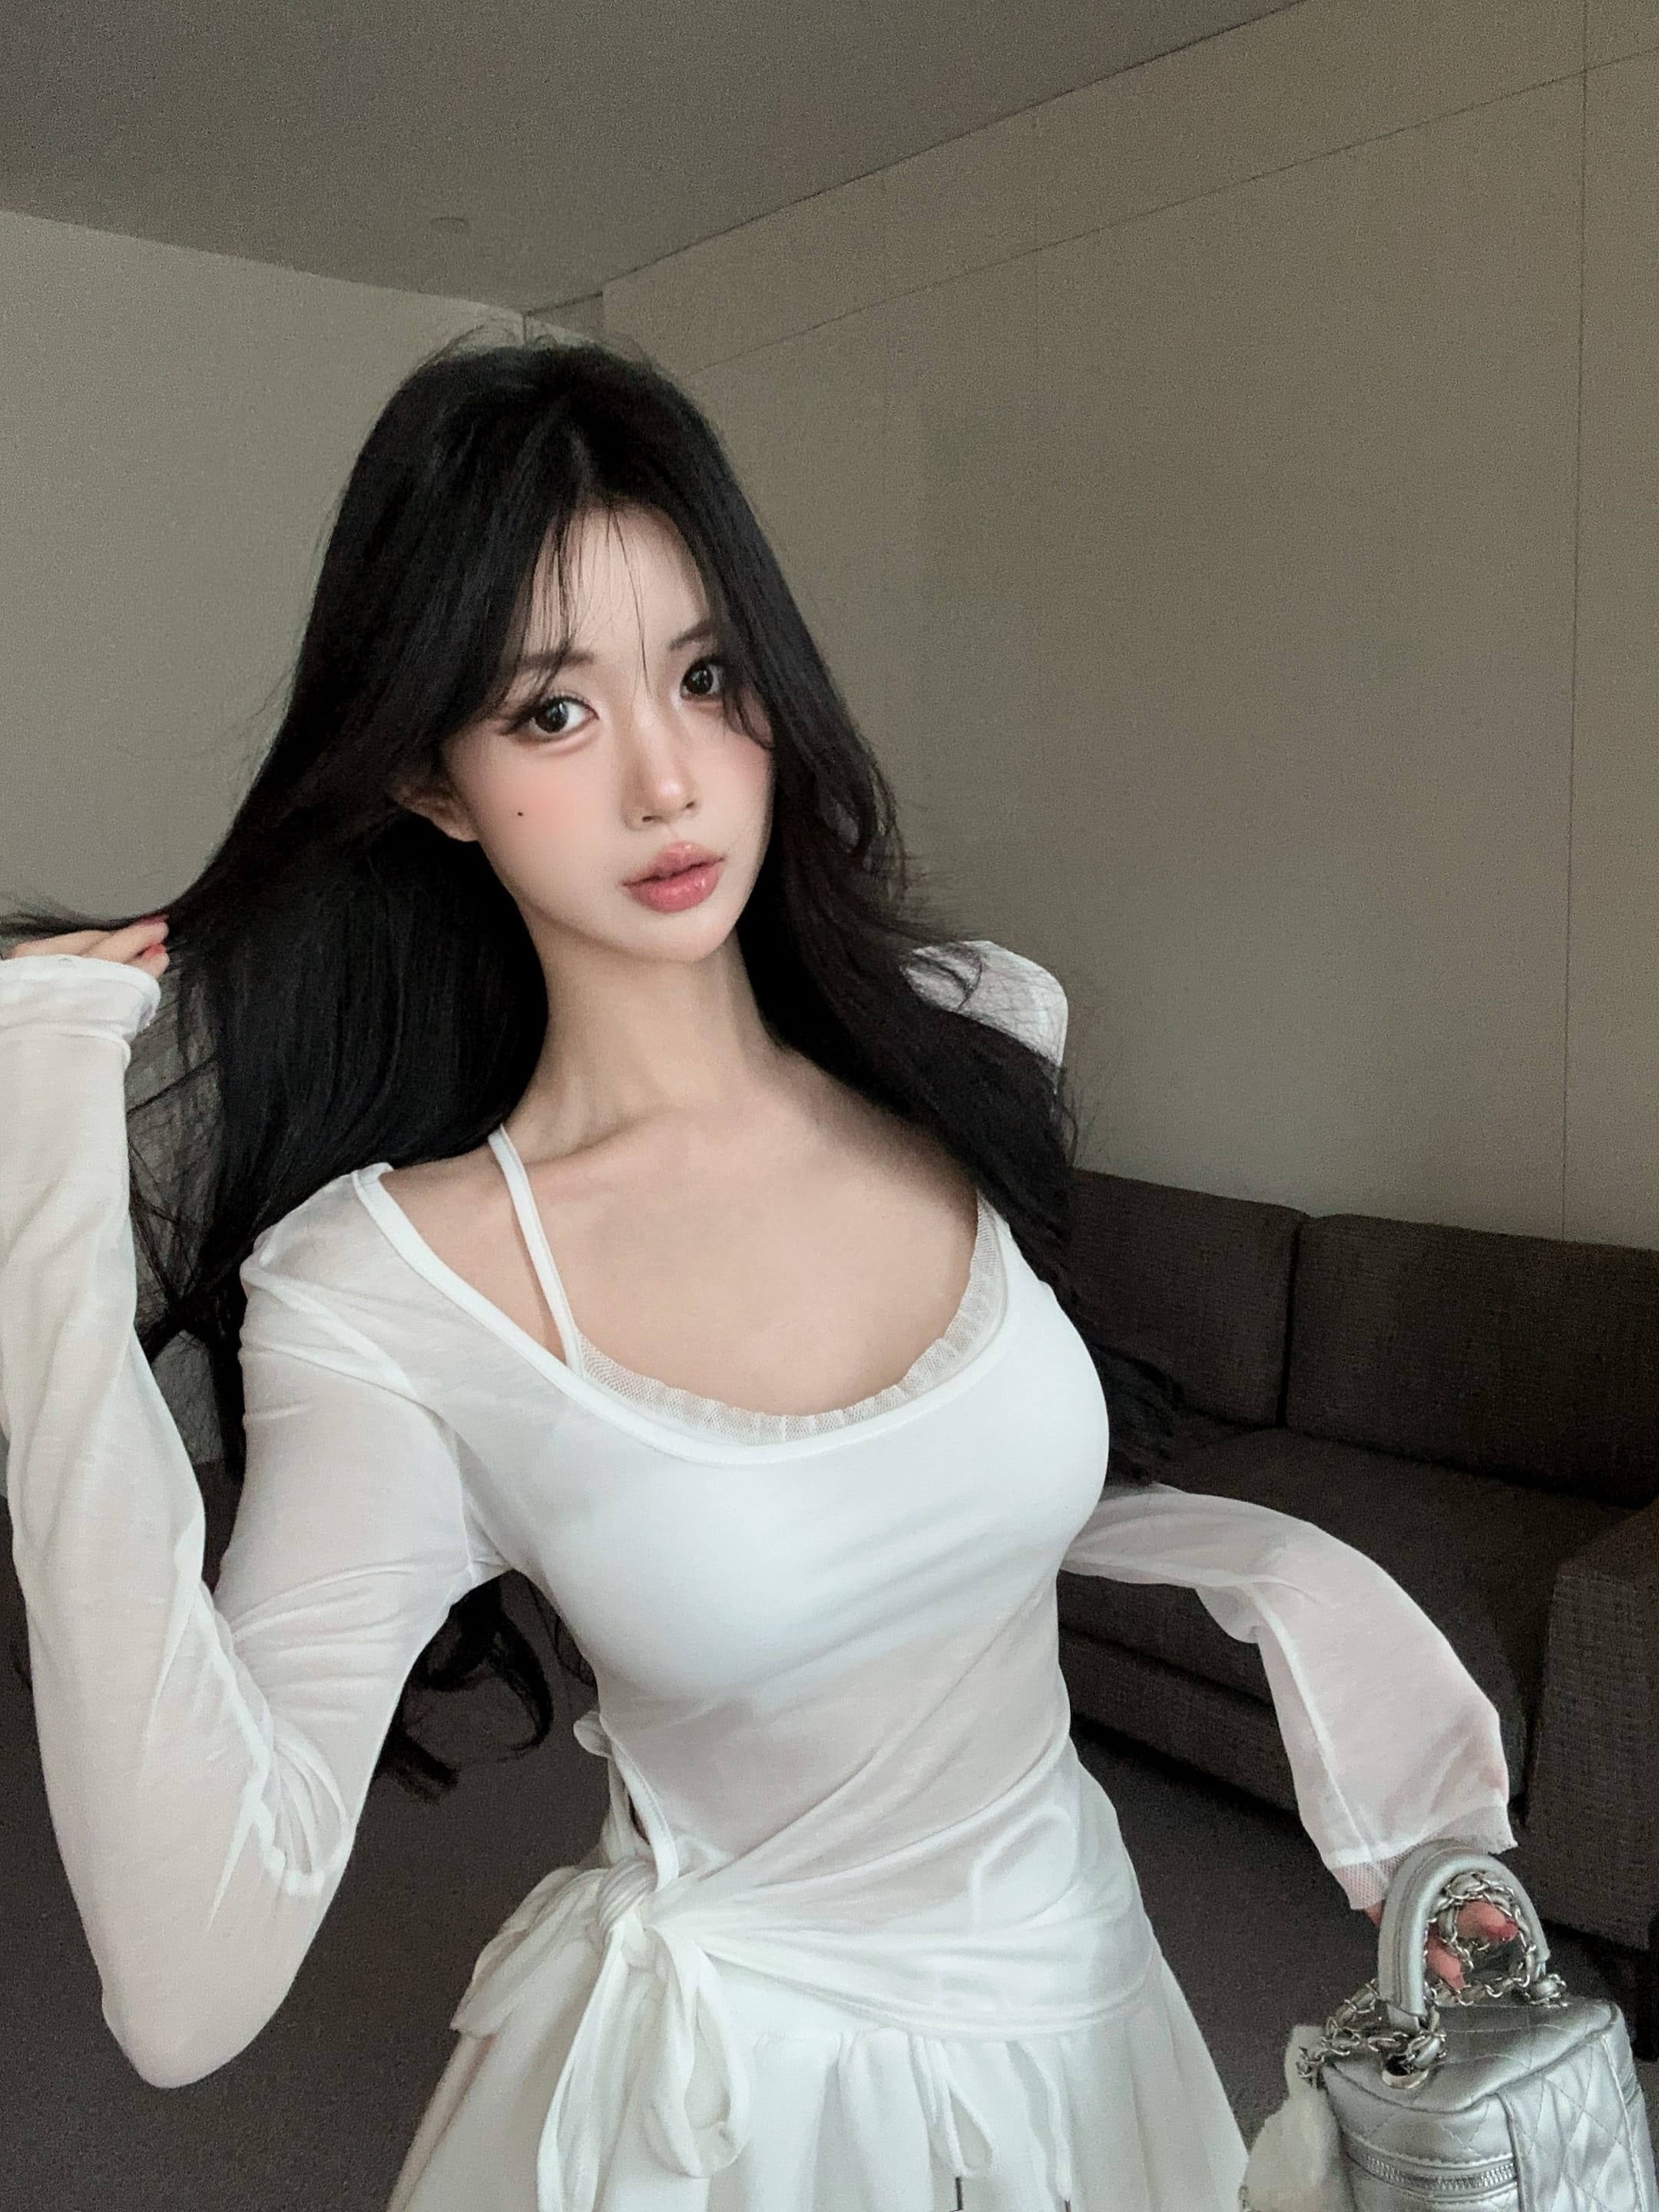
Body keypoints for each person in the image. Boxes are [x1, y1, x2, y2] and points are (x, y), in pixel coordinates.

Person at [0, 332, 1517, 2212]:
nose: (668, 780)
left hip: (1095, 2017)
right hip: (739, 2128)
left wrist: (1291, 1582)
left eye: (708, 677)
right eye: (553, 712)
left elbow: (933, 1505)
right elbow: (186, 1984)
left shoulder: (969, 1048)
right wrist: (42, 1259)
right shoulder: (399, 1293)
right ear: (431, 779)